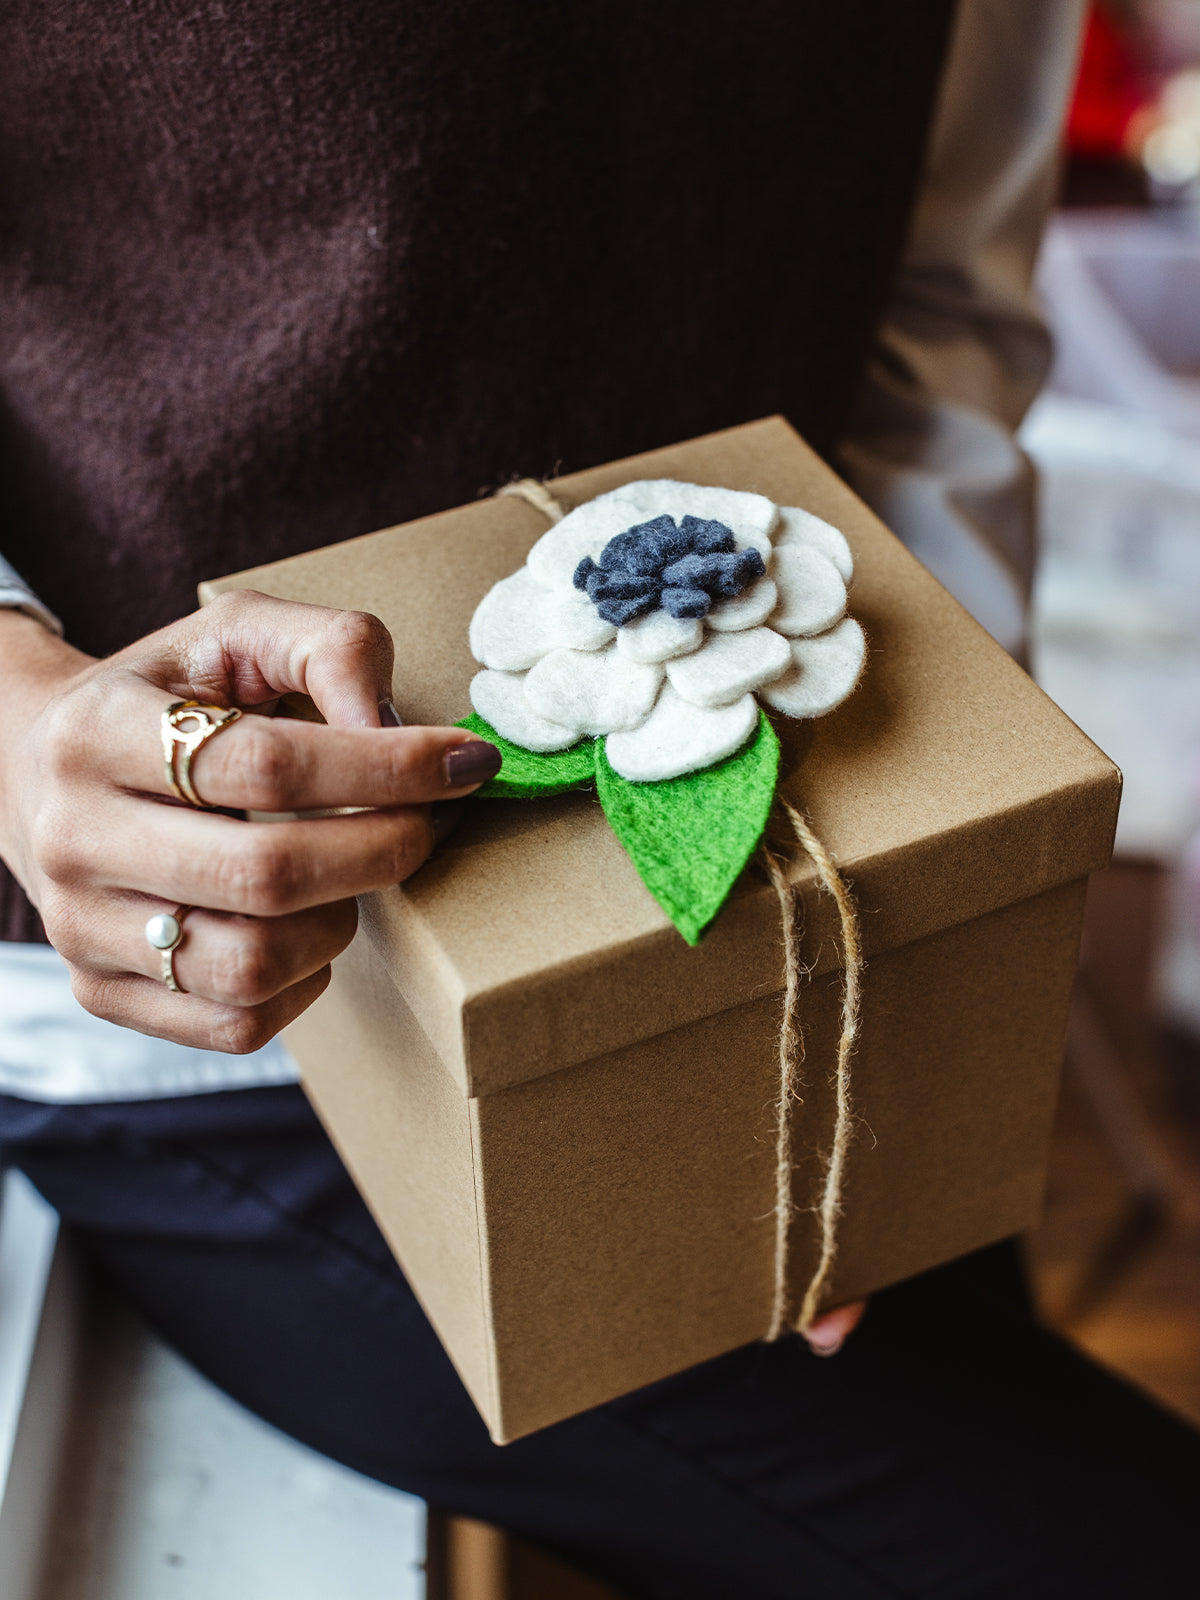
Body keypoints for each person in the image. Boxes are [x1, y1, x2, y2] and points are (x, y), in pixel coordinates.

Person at [2, 2, 1198, 1593]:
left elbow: (935, 317)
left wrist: (942, 886)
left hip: (831, 898)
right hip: (242, 1031)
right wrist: (14, 714)